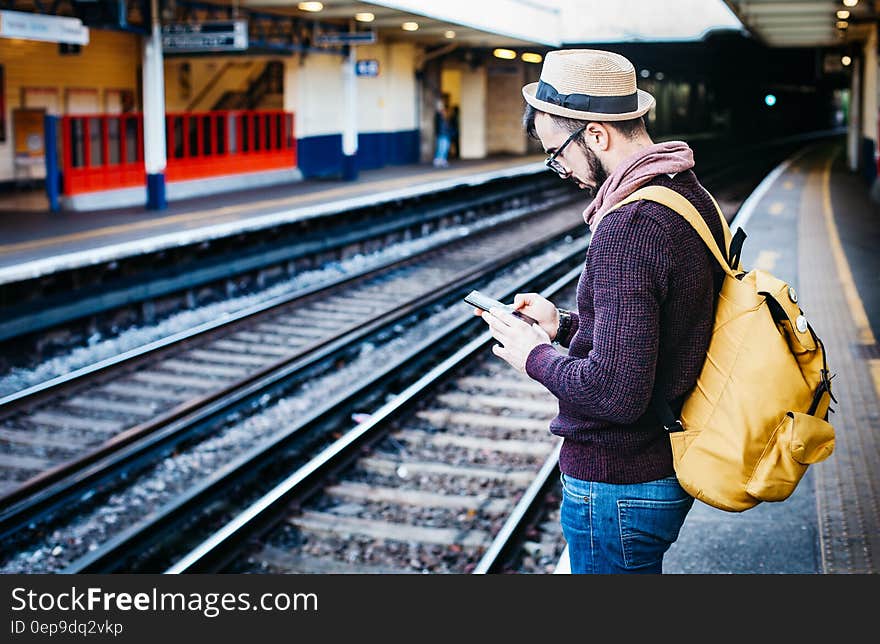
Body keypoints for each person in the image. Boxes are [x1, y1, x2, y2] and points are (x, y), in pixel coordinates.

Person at [475, 49, 727, 574]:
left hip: (620, 480)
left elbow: (615, 392)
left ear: (595, 134)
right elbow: (663, 329)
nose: (558, 168)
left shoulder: (627, 226)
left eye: (556, 152)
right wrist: (562, 325)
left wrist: (534, 355)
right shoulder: (687, 194)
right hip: (659, 463)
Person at [433, 99, 452, 167]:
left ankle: (442, 160)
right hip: (441, 134)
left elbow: (447, 125)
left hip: (446, 133)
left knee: (446, 147)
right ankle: (438, 160)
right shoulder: (438, 115)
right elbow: (437, 126)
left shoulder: (444, 116)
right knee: (441, 147)